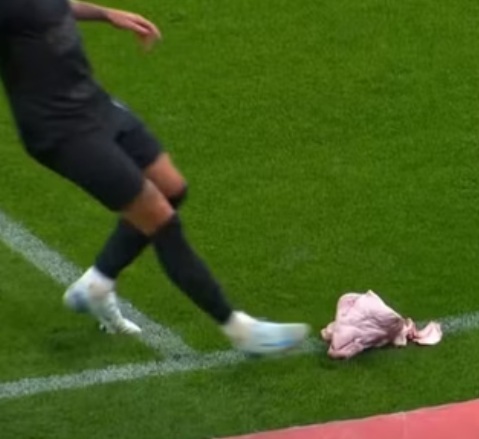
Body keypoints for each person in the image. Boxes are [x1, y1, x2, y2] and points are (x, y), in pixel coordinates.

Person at [0, 0, 311, 354]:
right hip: (61, 132)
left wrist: (106, 14)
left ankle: (98, 283)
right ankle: (239, 329)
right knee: (161, 220)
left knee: (171, 188)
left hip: (94, 104)